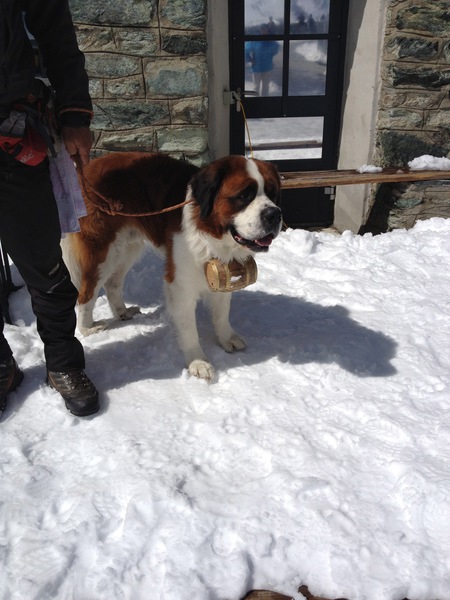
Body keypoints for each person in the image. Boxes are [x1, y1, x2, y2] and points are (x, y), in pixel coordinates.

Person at [0, 0, 99, 417]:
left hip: (12, 133)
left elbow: (57, 36)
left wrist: (75, 114)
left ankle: (63, 363)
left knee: (43, 261)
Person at [245, 25, 280, 97]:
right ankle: (255, 101)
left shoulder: (271, 40)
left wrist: (270, 55)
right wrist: (250, 59)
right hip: (256, 67)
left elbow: (275, 49)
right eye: (262, 29)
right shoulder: (255, 40)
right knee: (256, 86)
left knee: (266, 86)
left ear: (268, 30)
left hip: (267, 67)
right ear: (259, 30)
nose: (264, 31)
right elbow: (246, 50)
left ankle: (264, 101)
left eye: (265, 29)